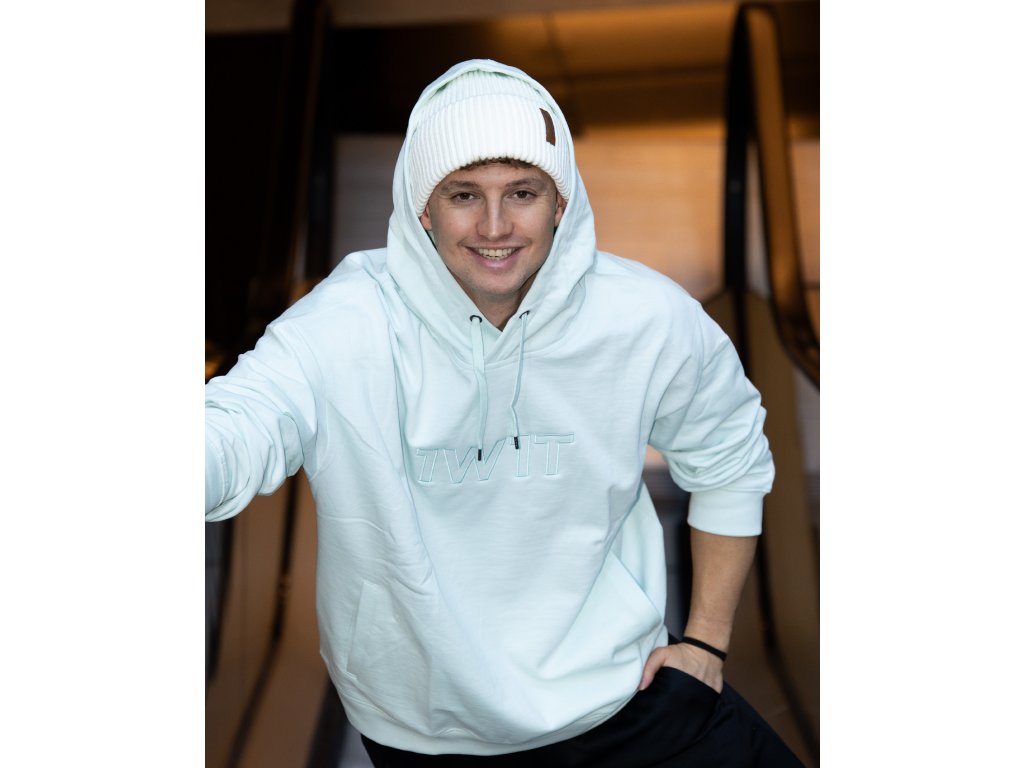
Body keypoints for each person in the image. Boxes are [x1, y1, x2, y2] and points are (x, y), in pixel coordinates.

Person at [205, 59, 803, 766]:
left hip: (627, 702)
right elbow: (240, 425)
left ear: (561, 202)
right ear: (423, 209)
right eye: (464, 194)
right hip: (432, 738)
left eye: (522, 192)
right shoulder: (345, 325)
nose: (495, 227)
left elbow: (732, 456)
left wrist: (705, 643)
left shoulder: (645, 319)